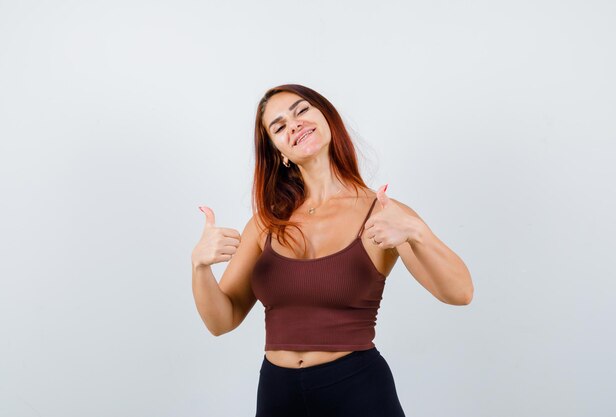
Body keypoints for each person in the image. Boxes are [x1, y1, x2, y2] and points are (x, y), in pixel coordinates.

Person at [191, 84, 474, 417]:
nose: (294, 125)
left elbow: (461, 293)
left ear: (327, 118)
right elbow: (221, 321)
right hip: (277, 393)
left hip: (357, 391)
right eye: (279, 127)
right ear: (279, 152)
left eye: (301, 111)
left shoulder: (382, 213)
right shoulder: (265, 224)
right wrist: (200, 266)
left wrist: (416, 232)